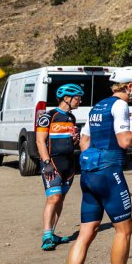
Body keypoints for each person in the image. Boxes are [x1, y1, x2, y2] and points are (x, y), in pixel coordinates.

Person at [60, 67, 132, 264]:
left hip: (89, 171)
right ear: (129, 86)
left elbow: (84, 140)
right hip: (108, 170)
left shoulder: (97, 106)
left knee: (86, 232)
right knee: (124, 229)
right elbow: (125, 141)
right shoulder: (120, 106)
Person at [37, 83, 85, 251]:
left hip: (69, 165)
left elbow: (71, 142)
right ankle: (46, 235)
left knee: (61, 199)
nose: (79, 101)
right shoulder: (48, 116)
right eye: (78, 98)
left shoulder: (71, 118)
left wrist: (75, 139)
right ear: (67, 98)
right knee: (53, 198)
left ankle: (53, 233)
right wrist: (46, 162)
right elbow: (40, 141)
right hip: (53, 164)